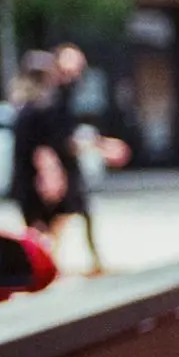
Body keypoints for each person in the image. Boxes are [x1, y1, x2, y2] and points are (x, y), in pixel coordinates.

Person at [50, 44, 130, 275]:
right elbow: (61, 136)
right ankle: (52, 260)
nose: (76, 72)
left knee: (77, 213)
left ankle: (86, 260)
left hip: (68, 166)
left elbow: (72, 132)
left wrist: (97, 144)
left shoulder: (69, 95)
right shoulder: (55, 96)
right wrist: (98, 146)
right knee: (61, 216)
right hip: (58, 166)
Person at [8, 51, 69, 236]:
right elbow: (42, 150)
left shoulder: (20, 107)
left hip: (24, 177)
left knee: (36, 229)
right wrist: (51, 178)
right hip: (38, 179)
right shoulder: (42, 109)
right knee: (44, 231)